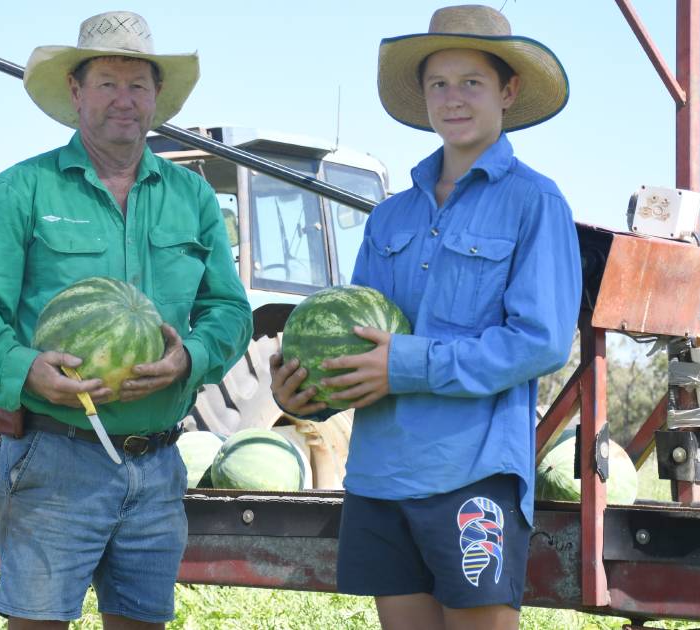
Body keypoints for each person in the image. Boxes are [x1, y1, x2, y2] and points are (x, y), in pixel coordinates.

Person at [0, 11, 251, 629]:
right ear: (77, 92)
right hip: (56, 460)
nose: (124, 100)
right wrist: (25, 371)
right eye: (106, 82)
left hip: (159, 465)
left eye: (138, 85)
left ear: (157, 97)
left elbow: (230, 310)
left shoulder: (193, 198)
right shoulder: (24, 188)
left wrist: (190, 356)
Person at [271, 5, 582, 629]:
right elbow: (353, 335)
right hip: (381, 475)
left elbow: (541, 341)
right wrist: (307, 396)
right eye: (438, 83)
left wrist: (405, 365)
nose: (453, 98)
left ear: (508, 90)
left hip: (472, 475)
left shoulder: (534, 202)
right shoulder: (390, 216)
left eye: (471, 82)